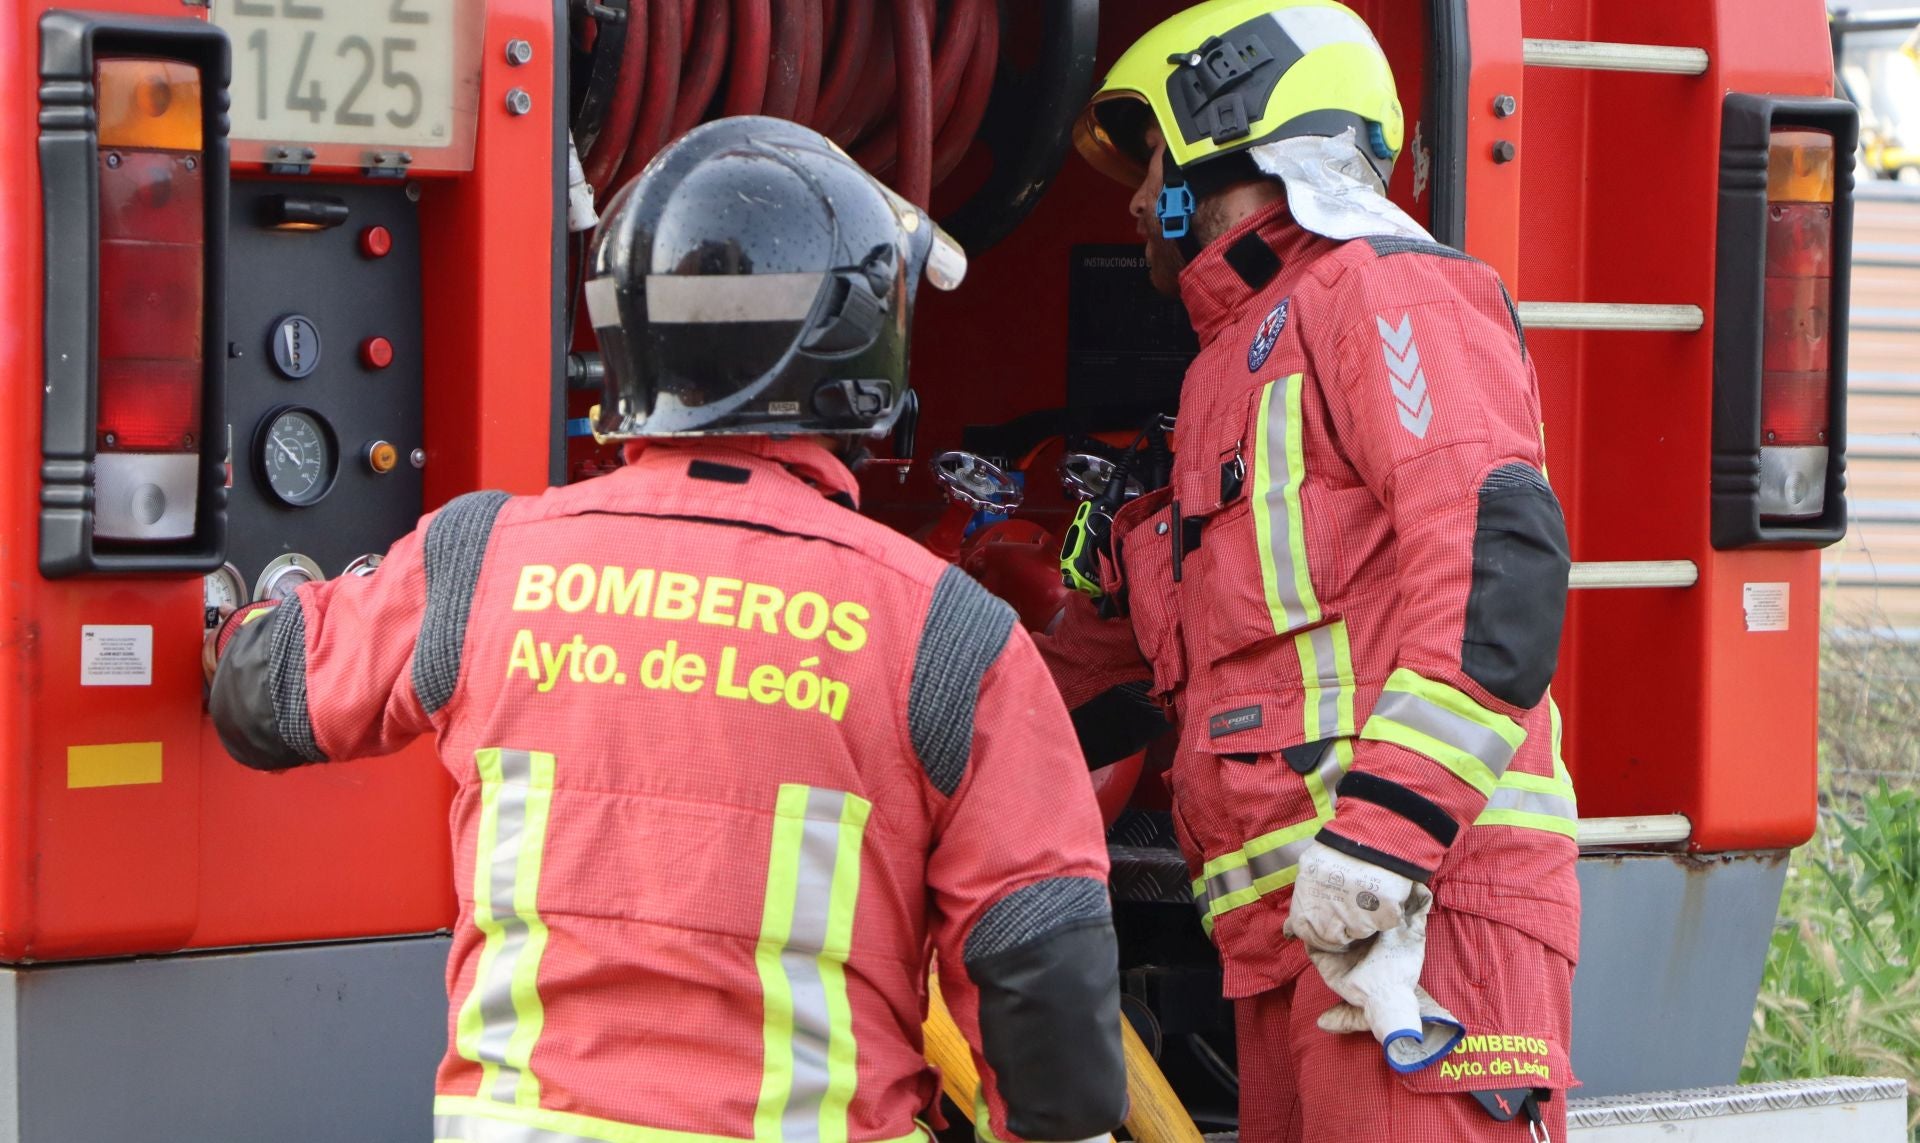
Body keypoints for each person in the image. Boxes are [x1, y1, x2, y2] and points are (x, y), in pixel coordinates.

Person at [206, 117, 1127, 1143]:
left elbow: (262, 696)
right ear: (863, 344)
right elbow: (1039, 959)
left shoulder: (482, 562)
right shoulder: (945, 633)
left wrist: (212, 603)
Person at [1047, 1, 1582, 1138]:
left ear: (1225, 133)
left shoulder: (1387, 293)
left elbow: (1496, 569)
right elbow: (1127, 684)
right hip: (1296, 936)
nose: (1137, 206)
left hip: (1423, 907)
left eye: (1150, 166)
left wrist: (1386, 837)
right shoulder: (1221, 381)